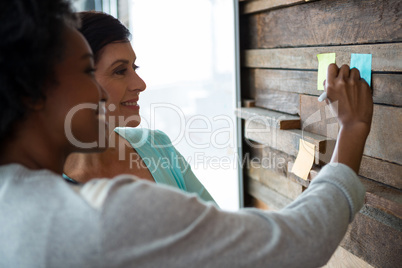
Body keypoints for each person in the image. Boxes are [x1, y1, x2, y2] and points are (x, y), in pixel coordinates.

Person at [0, 0, 373, 267]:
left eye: (135, 67)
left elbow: (226, 241)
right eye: (89, 72)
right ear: (31, 90)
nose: (139, 84)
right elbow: (293, 246)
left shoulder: (12, 204)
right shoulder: (101, 214)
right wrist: (353, 129)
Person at [63, 11, 215, 204]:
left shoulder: (157, 147)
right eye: (119, 71)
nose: (140, 84)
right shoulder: (41, 189)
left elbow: (224, 230)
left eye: (134, 68)